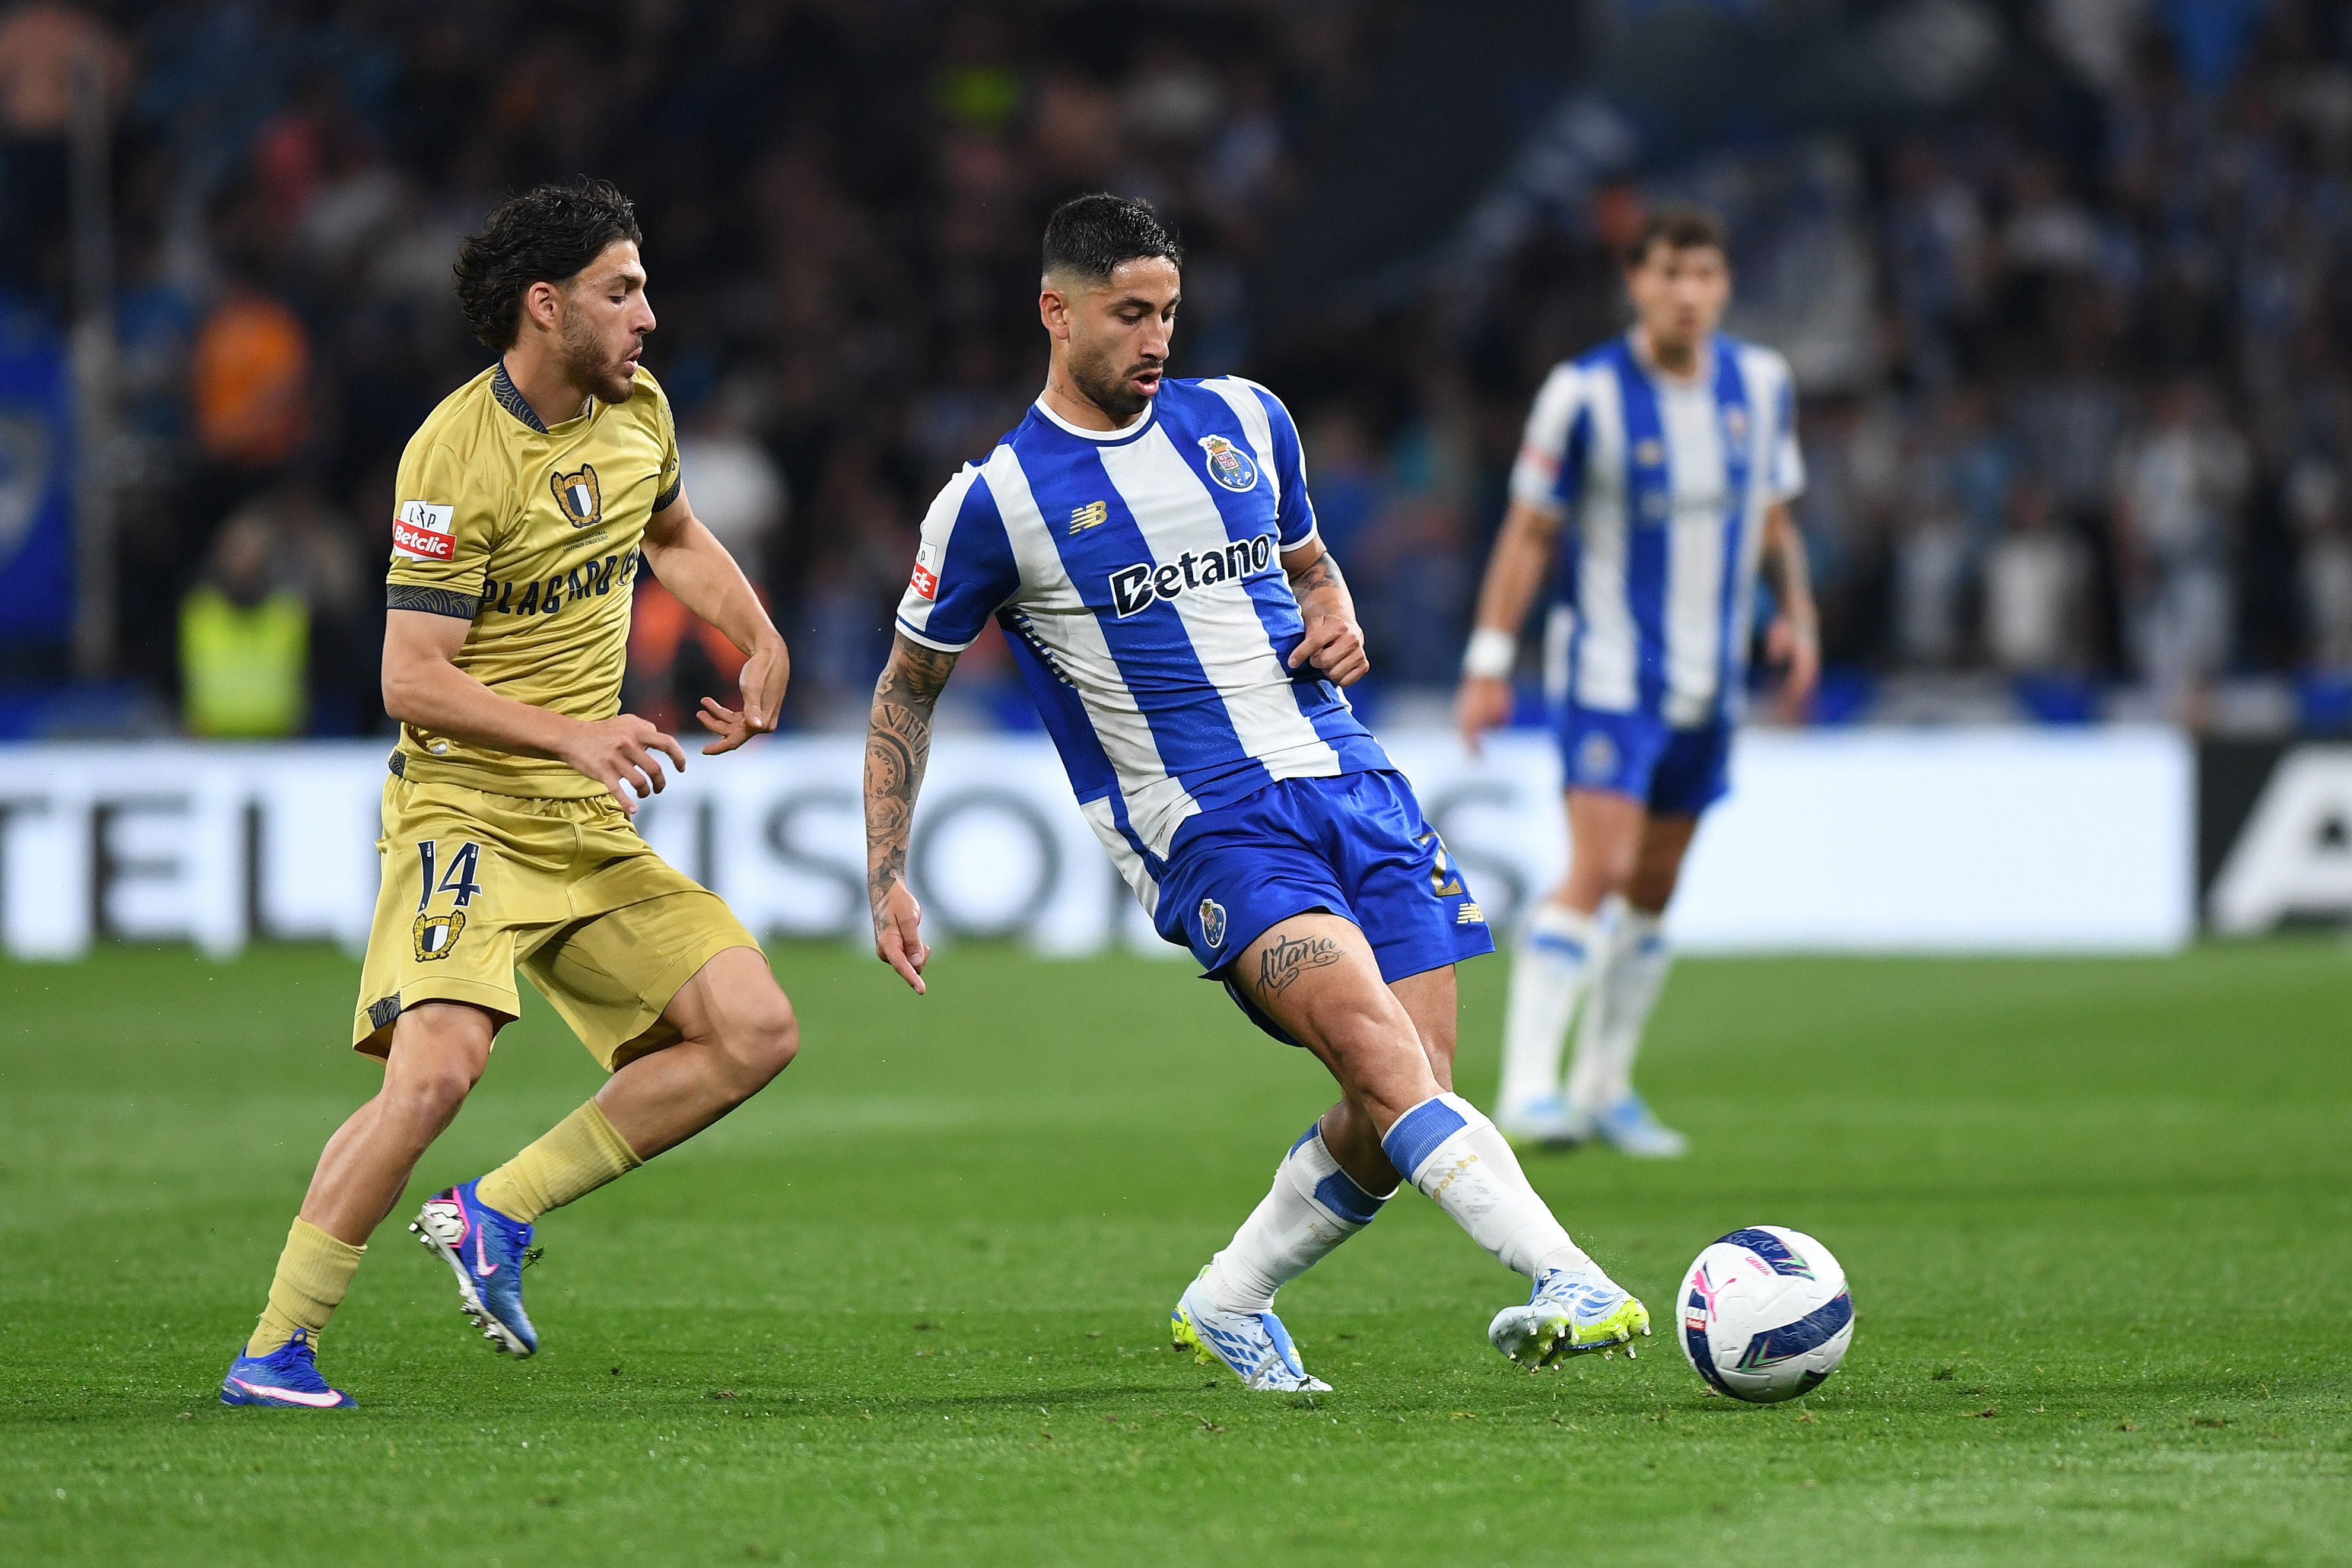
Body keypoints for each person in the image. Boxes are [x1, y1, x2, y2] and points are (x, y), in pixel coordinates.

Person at [862, 193, 1649, 1394]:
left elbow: (1307, 558)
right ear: (1053, 310)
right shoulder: (994, 502)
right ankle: (1568, 1275)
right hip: (1212, 832)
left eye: (1168, 311)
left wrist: (1334, 610)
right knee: (1386, 1065)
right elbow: (904, 693)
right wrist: (884, 871)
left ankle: (1229, 1296)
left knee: (1408, 1100)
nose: (1154, 337)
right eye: (1128, 313)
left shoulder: (1244, 419)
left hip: (1351, 780)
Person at [221, 179, 797, 1410]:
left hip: (581, 814)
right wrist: (572, 734)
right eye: (620, 290)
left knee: (753, 1029)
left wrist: (760, 638)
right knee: (431, 1077)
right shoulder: (452, 453)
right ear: (548, 306)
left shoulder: (634, 408)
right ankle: (275, 1345)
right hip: (469, 808)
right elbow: (407, 675)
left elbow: (676, 532)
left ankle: (496, 1210)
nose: (648, 314)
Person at [1457, 205, 1816, 1157]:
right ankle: (1530, 1089)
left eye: (1704, 274)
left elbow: (1773, 518)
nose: (1687, 293)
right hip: (1610, 673)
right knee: (1602, 867)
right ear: (1637, 283)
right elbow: (1529, 531)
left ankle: (1606, 1087)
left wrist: (1797, 618)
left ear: (1725, 283)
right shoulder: (1584, 396)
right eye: (1669, 275)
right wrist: (1489, 663)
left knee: (1655, 886)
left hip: (1712, 678)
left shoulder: (1763, 384)